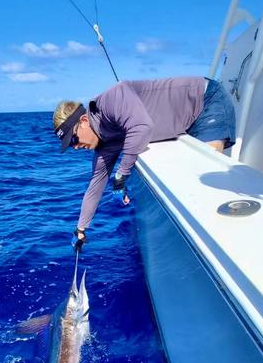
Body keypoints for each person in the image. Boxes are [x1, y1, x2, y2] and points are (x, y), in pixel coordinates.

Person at [52, 76, 236, 250]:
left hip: (206, 101)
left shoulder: (113, 98)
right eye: (70, 145)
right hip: (185, 121)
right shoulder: (104, 146)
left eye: (73, 139)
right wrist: (81, 230)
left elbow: (142, 128)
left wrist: (121, 175)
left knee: (203, 177)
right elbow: (95, 185)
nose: (75, 147)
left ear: (84, 120)